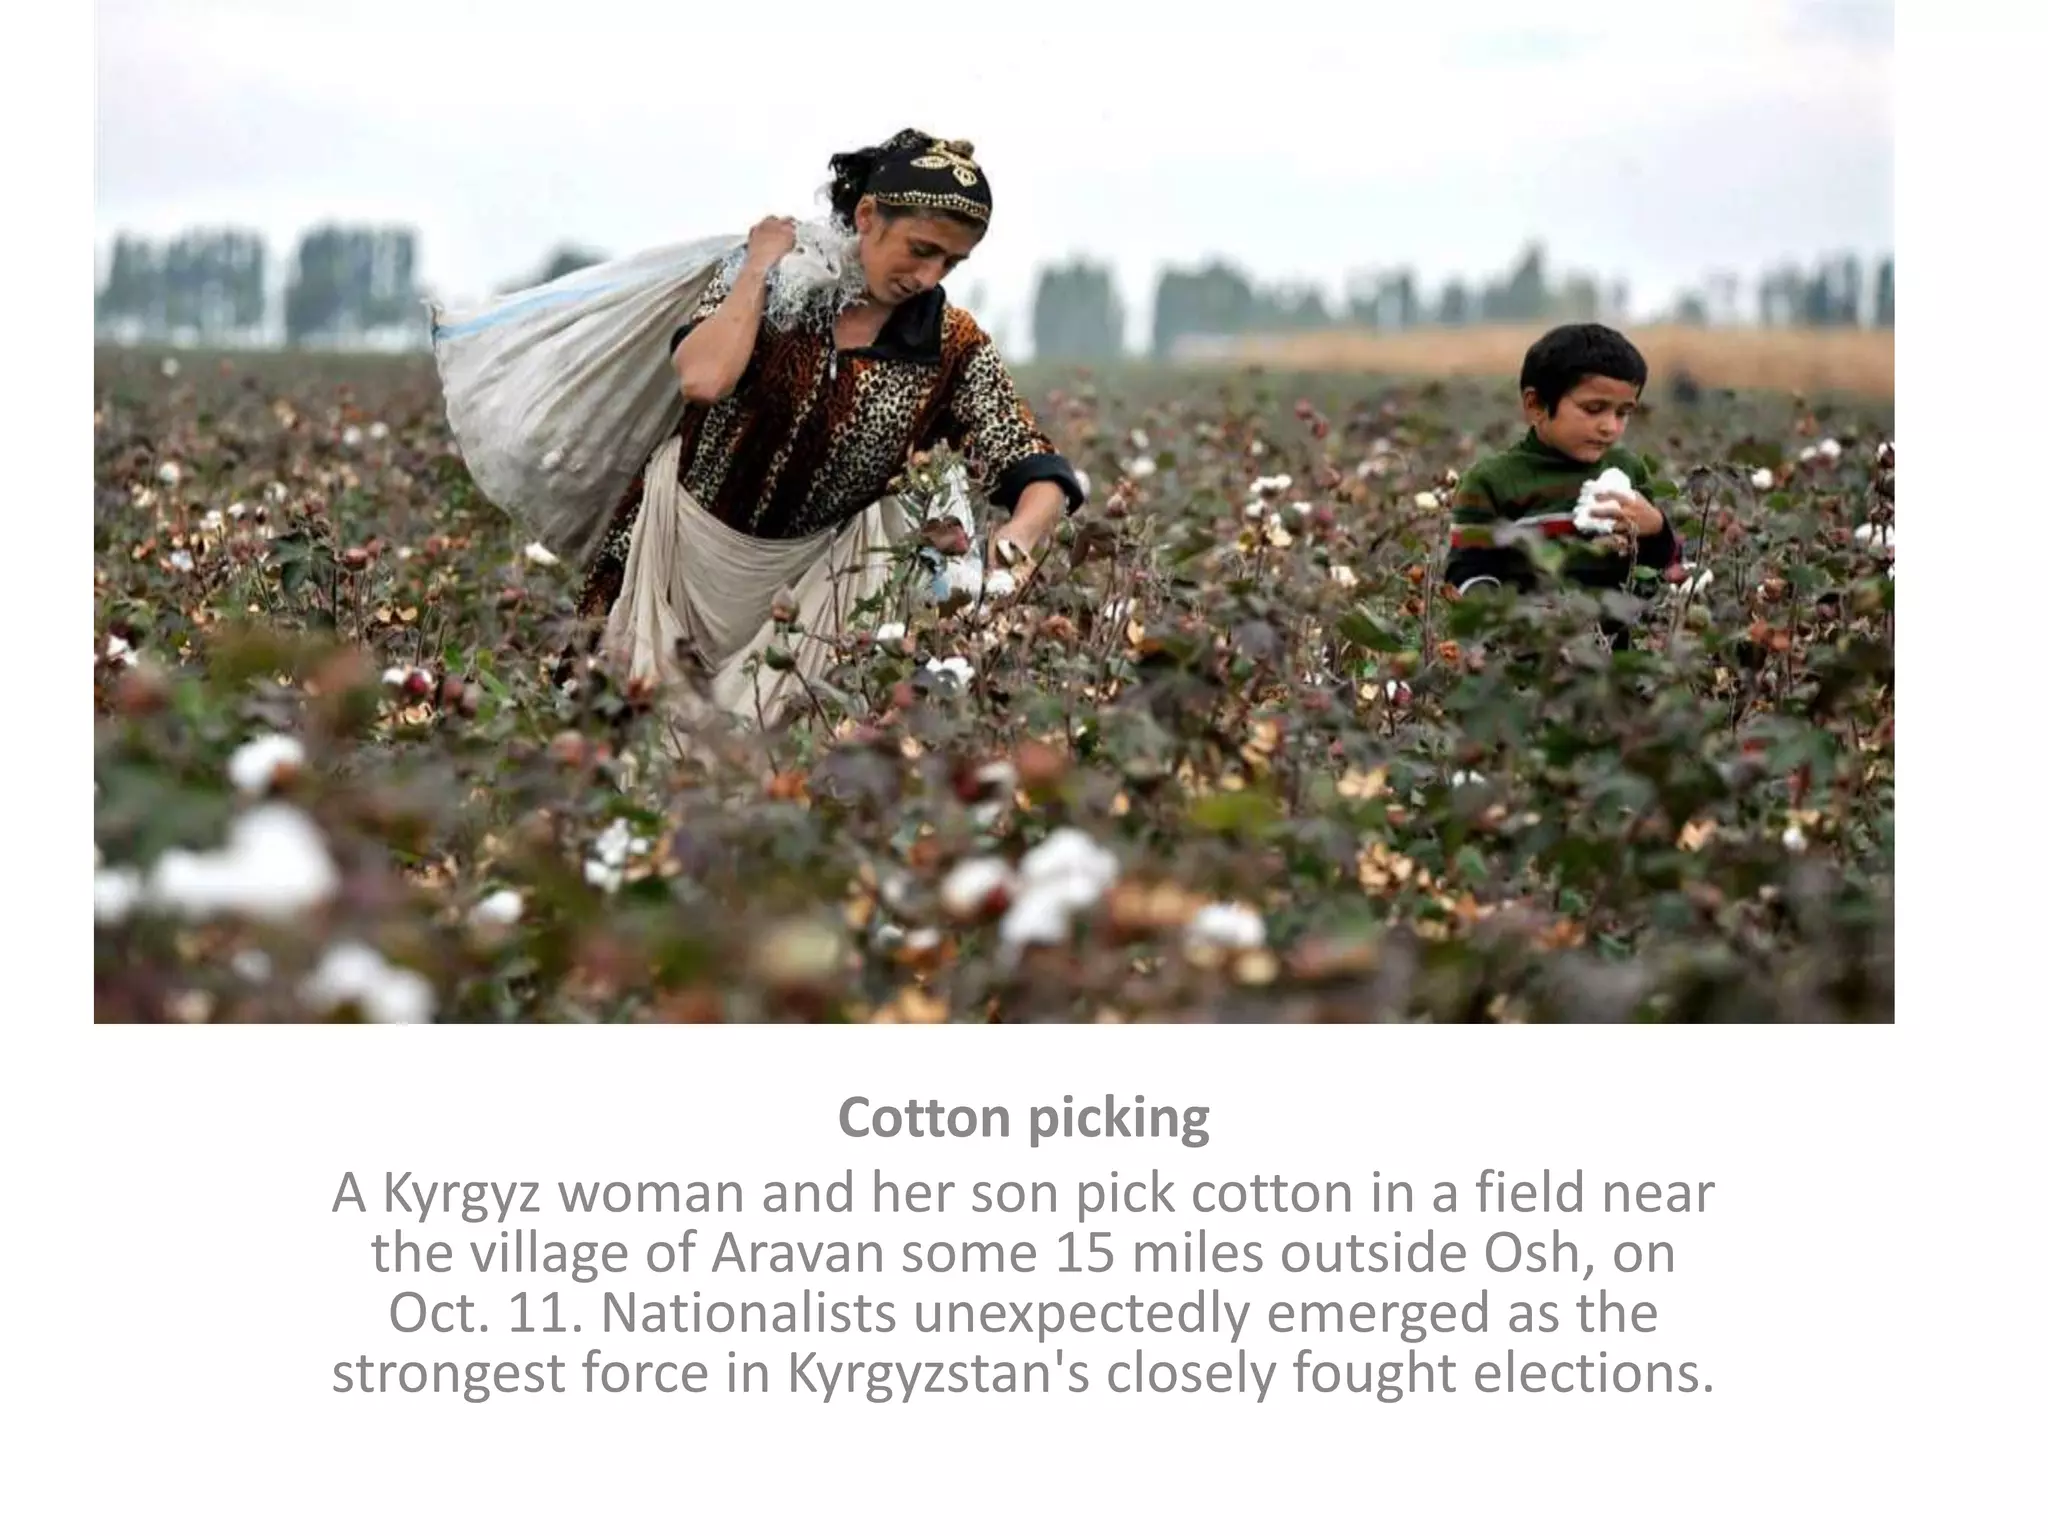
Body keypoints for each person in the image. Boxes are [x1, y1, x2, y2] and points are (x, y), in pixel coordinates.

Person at [577, 128, 1085, 728]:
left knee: (770, 774)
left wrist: (1017, 539)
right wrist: (757, 268)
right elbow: (704, 379)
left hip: (809, 595)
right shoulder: (775, 286)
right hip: (674, 557)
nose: (929, 275)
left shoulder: (948, 345)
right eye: (920, 249)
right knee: (618, 747)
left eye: (951, 261)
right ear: (868, 216)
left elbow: (1034, 465)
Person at [1444, 323, 1680, 645]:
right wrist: (1501, 633)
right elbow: (1468, 576)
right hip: (1528, 658)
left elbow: (1662, 571)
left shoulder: (1629, 471)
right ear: (1536, 405)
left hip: (1617, 660)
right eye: (1593, 409)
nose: (1610, 427)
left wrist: (1656, 530)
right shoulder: (1491, 481)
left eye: (1623, 413)